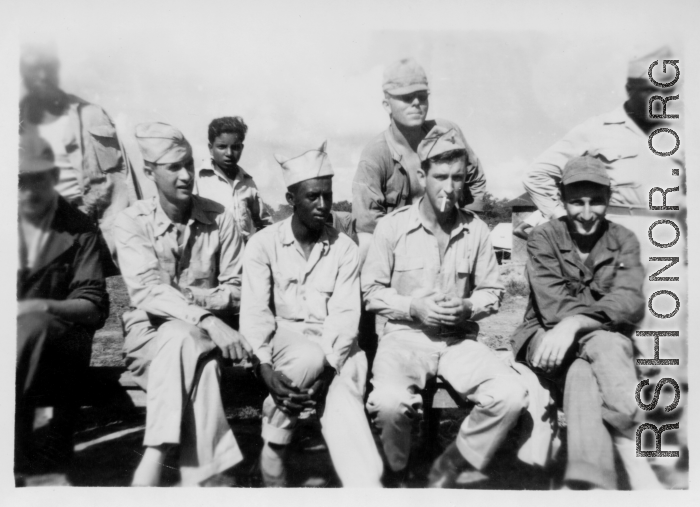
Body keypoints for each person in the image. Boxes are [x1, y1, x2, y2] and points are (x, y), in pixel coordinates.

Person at [362, 126, 527, 488]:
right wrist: (413, 306)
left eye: (456, 177)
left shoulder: (477, 230)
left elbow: (492, 291)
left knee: (511, 395)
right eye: (440, 177)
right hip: (404, 339)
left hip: (457, 342)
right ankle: (397, 473)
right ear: (422, 175)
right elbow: (371, 291)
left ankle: (450, 465)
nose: (449, 187)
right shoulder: (392, 228)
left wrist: (468, 307)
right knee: (389, 403)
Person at [521, 45, 686, 372]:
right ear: (629, 89)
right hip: (617, 244)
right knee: (623, 331)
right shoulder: (598, 129)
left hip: (671, 243)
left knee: (672, 336)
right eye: (651, 90)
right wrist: (564, 222)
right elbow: (538, 175)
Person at [511, 156, 662, 490]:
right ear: (562, 201)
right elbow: (552, 308)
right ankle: (635, 446)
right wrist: (578, 322)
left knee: (584, 371)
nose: (586, 212)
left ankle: (589, 483)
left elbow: (630, 300)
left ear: (608, 200)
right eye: (576, 202)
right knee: (607, 342)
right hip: (546, 342)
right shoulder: (544, 238)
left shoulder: (624, 239)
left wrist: (577, 322)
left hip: (587, 351)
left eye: (596, 201)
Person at [114, 122, 250, 486]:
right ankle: (206, 476)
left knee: (184, 335)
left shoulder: (220, 217)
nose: (187, 175)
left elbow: (238, 288)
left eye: (189, 164)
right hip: (150, 341)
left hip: (208, 338)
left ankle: (156, 458)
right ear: (149, 172)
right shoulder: (130, 222)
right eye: (173, 167)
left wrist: (193, 303)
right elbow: (147, 292)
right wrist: (208, 317)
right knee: (187, 347)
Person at [240, 141, 383, 488]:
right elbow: (256, 311)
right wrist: (263, 365)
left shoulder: (344, 249)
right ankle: (274, 456)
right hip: (285, 343)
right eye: (312, 197)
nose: (323, 205)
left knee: (344, 396)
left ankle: (364, 485)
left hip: (340, 349)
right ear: (291, 200)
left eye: (328, 196)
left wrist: (330, 367)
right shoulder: (263, 244)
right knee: (305, 356)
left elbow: (346, 317)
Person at [16, 133, 109, 482]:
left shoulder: (79, 228)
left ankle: (19, 450)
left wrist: (37, 306)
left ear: (54, 179)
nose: (26, 191)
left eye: (36, 179)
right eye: (16, 181)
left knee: (32, 325)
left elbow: (92, 307)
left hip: (62, 345)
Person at [352, 57, 487, 263]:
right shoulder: (375, 155)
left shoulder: (447, 133)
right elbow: (368, 224)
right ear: (387, 105)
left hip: (449, 232)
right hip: (399, 244)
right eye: (406, 98)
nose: (416, 103)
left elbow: (475, 177)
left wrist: (468, 224)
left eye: (422, 97)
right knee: (365, 244)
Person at [19, 41, 138, 257]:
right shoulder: (13, 123)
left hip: (89, 229)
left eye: (48, 67)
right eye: (33, 69)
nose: (43, 76)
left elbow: (120, 182)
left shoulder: (92, 115)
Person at [195, 116, 272, 242]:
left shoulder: (248, 183)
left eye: (235, 147)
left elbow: (264, 223)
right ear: (210, 148)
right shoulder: (198, 179)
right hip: (209, 256)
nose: (229, 153)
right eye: (222, 147)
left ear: (242, 148)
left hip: (243, 255)